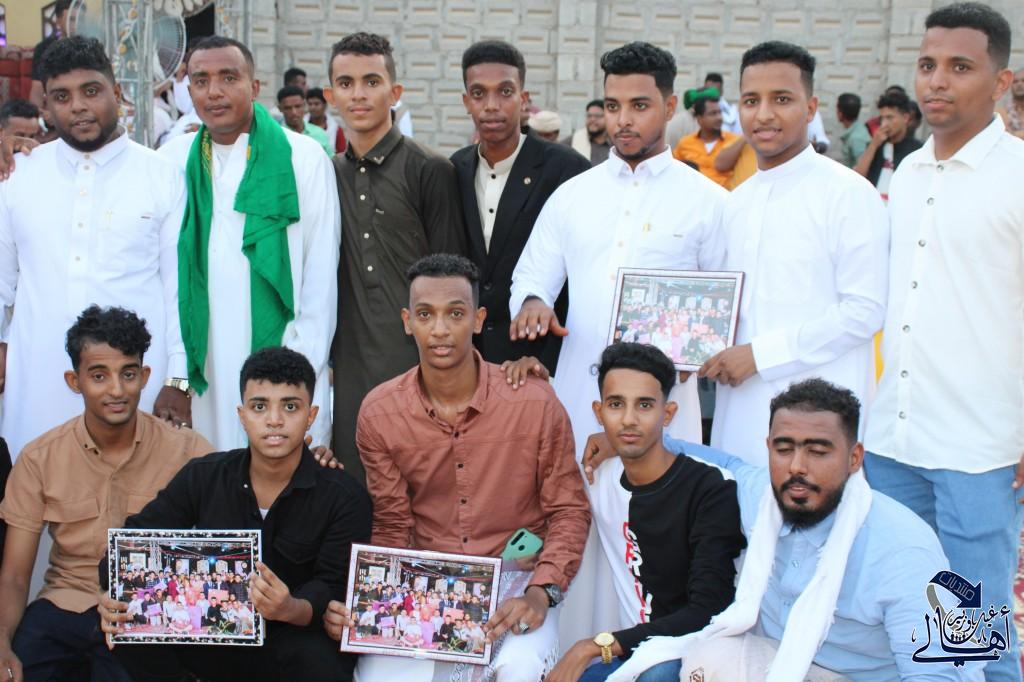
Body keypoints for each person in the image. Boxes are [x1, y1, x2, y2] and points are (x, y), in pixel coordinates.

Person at [323, 254, 591, 682]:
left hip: (516, 579)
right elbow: (392, 522)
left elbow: (569, 509)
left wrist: (542, 592)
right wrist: (368, 602)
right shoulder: (380, 412)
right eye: (425, 315)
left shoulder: (533, 402)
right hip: (425, 581)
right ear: (408, 322)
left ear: (479, 319)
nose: (440, 329)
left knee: (519, 669)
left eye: (455, 313)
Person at [598, 378, 971, 681]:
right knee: (668, 668)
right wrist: (629, 440)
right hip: (774, 661)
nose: (797, 467)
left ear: (854, 458)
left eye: (818, 451)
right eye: (784, 449)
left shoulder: (903, 551)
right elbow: (722, 461)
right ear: (768, 448)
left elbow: (941, 673)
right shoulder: (761, 494)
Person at [864, 5, 1024, 681]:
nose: (937, 81)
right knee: (912, 615)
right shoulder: (908, 174)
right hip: (894, 441)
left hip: (977, 447)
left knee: (976, 631)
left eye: (960, 67)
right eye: (928, 65)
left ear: (1001, 82)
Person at [98, 346, 373, 682]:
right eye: (260, 406)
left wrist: (290, 607)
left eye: (290, 406)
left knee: (317, 656)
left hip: (292, 639)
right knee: (128, 625)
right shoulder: (204, 476)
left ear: (311, 415)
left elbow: (334, 588)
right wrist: (113, 595)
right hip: (214, 635)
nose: (274, 420)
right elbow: (129, 546)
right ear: (242, 415)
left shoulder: (344, 496)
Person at [0, 36, 192, 460]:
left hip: (137, 380)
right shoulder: (19, 174)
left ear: (117, 92)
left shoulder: (161, 175)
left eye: (91, 91)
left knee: (140, 493)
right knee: (36, 486)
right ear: (46, 107)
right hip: (38, 377)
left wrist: (178, 379)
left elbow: (180, 289)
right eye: (62, 97)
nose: (78, 107)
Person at [700, 41, 888, 466]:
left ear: (810, 108)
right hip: (740, 414)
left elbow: (864, 311)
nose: (763, 114)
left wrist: (760, 355)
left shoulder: (848, 193)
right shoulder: (735, 203)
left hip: (820, 423)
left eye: (781, 99)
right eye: (751, 101)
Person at [0, 306, 213, 682]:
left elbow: (221, 551)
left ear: (144, 376)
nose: (116, 390)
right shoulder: (39, 458)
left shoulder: (189, 452)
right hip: (63, 604)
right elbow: (16, 576)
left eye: (128, 374)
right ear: (74, 381)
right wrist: (2, 642)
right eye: (99, 376)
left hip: (147, 611)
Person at [160, 36, 340, 451]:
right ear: (189, 90)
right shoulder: (171, 160)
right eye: (201, 80)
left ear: (254, 87)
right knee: (208, 470)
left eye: (229, 78)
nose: (214, 91)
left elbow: (319, 278)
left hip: (286, 352)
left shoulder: (303, 158)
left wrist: (298, 370)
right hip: (202, 364)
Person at [548, 344, 745, 682]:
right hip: (635, 653)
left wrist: (595, 646)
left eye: (644, 405)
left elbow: (708, 610)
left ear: (667, 414)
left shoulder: (710, 486)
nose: (628, 419)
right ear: (598, 412)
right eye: (616, 404)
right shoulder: (598, 479)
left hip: (695, 653)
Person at [324, 32, 466, 483]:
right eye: (345, 83)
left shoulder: (429, 169)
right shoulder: (326, 174)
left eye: (372, 81)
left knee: (427, 486)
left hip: (419, 363)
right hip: (350, 364)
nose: (358, 94)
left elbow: (452, 278)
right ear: (330, 96)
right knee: (357, 483)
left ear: (395, 92)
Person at [451, 40, 589, 372]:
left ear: (524, 99)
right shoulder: (455, 168)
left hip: (541, 359)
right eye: (479, 93)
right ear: (466, 101)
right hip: (471, 361)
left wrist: (547, 358)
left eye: (505, 92)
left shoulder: (566, 169)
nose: (491, 106)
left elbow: (581, 273)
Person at [853, 90, 923, 201]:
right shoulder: (876, 145)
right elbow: (857, 178)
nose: (884, 124)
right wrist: (873, 145)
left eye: (889, 118)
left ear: (905, 118)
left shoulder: (917, 150)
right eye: (882, 118)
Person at [672, 96, 740, 187]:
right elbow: (674, 172)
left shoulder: (735, 142)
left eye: (720, 112)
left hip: (727, 194)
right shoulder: (685, 143)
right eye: (713, 113)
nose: (719, 117)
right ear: (699, 119)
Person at [28, 0, 70, 111]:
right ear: (58, 22)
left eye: (80, 18)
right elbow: (37, 89)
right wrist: (38, 114)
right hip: (54, 110)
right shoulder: (44, 48)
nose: (76, 24)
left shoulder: (91, 47)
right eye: (71, 19)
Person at [276, 85, 333, 155]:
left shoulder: (319, 133)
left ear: (304, 105)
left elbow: (330, 159)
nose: (294, 112)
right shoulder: (276, 136)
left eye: (298, 106)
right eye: (288, 108)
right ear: (280, 108)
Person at [568, 99, 612, 166]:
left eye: (597, 116)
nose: (592, 119)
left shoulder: (617, 144)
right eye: (589, 116)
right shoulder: (572, 141)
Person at [836, 92, 872, 167]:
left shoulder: (856, 138)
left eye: (837, 109)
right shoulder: (857, 130)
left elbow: (861, 168)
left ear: (840, 113)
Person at [305, 87, 344, 153]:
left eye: (316, 104)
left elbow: (341, 153)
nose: (312, 107)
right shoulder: (301, 126)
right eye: (310, 104)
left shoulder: (335, 129)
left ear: (325, 105)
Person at [996, 67, 1024, 137]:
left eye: (1023, 81)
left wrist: (1014, 134)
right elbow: (1003, 135)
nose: (1019, 84)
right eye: (1015, 81)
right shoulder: (1000, 112)